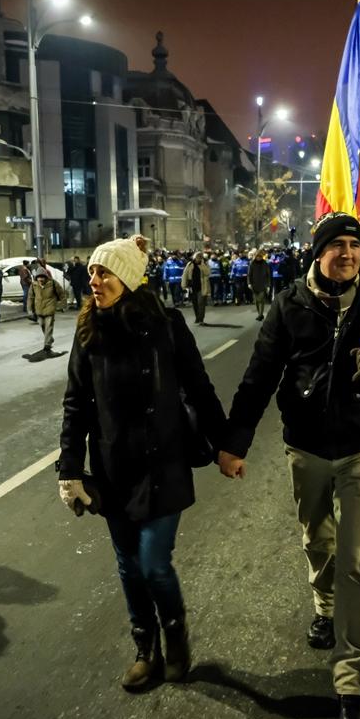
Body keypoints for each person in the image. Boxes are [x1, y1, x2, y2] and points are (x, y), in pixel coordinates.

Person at [217, 212, 360, 719]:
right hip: (308, 447)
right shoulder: (290, 304)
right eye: (335, 244)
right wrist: (235, 441)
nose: (346, 253)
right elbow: (259, 375)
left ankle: (350, 683)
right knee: (318, 540)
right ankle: (325, 604)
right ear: (317, 252)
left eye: (354, 245)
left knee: (359, 563)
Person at [57, 235, 225, 691]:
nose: (93, 281)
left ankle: (175, 634)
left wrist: (227, 444)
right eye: (92, 272)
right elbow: (76, 404)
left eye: (103, 272)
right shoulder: (88, 332)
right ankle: (144, 646)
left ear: (128, 279)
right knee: (128, 565)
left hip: (163, 463)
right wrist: (69, 470)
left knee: (153, 563)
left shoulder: (167, 326)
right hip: (114, 469)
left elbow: (200, 388)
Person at [26, 268, 65, 358]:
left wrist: (62, 305)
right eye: (39, 277)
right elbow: (30, 298)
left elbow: (61, 294)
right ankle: (50, 338)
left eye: (42, 277)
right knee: (42, 326)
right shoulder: (34, 285)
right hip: (39, 310)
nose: (40, 279)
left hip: (49, 309)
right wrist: (30, 310)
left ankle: (47, 345)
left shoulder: (53, 283)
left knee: (49, 327)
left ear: (45, 277)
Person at [181, 252, 210, 325]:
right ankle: (197, 317)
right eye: (197, 257)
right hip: (192, 287)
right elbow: (185, 274)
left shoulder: (204, 264)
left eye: (200, 257)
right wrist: (184, 285)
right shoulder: (190, 264)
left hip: (202, 287)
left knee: (201, 303)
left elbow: (208, 273)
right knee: (195, 303)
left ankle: (201, 319)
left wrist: (202, 265)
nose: (198, 258)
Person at [248, 250, 271, 321]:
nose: (258, 258)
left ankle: (260, 314)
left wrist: (268, 285)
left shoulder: (265, 264)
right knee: (256, 301)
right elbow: (249, 274)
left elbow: (268, 275)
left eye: (259, 256)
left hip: (263, 285)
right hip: (254, 285)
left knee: (261, 300)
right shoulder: (252, 264)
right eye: (257, 256)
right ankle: (259, 314)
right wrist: (249, 283)